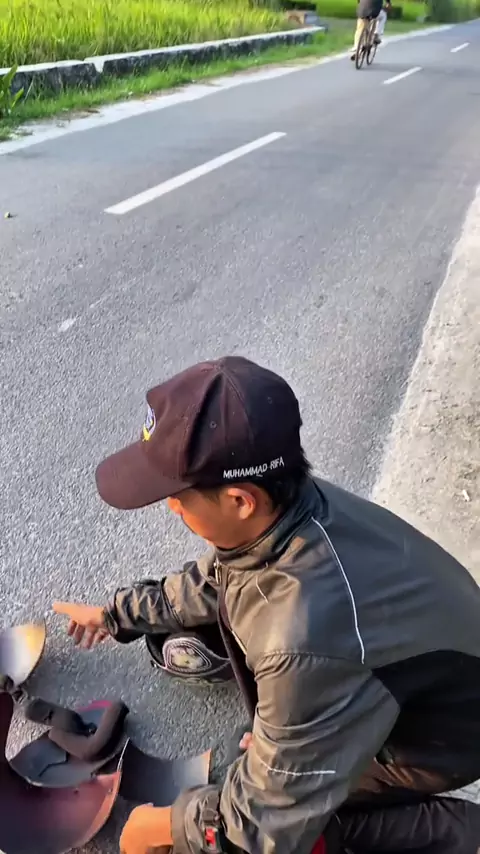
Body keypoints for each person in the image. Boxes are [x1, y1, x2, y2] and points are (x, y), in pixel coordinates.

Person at [53, 356, 480, 854]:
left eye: (178, 496)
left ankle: (453, 836)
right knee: (255, 762)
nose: (171, 506)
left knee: (276, 820)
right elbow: (220, 577)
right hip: (412, 680)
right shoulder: (294, 507)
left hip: (434, 743)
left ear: (240, 500)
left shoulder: (302, 634)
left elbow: (257, 825)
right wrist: (116, 614)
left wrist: (165, 826)